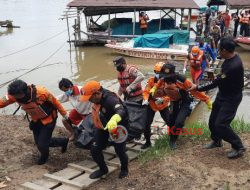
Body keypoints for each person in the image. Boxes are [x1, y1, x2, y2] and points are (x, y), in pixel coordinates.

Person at [188, 37, 246, 159]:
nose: (218, 52)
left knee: (221, 124)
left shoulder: (233, 65)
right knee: (213, 121)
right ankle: (217, 140)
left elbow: (216, 82)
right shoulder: (229, 59)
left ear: (224, 50)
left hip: (231, 98)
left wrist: (197, 88)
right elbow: (220, 79)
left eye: (219, 49)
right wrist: (217, 77)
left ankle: (238, 146)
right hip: (223, 94)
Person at [0, 80, 69, 165]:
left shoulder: (42, 93)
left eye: (17, 96)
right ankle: (63, 141)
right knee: (39, 142)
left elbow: (56, 102)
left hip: (49, 119)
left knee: (42, 145)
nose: (15, 98)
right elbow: (2, 102)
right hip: (36, 120)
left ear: (24, 92)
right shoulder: (13, 95)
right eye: (13, 96)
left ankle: (45, 156)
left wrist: (65, 114)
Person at [80, 81, 129, 179]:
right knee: (94, 149)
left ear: (97, 93)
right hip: (103, 126)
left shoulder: (110, 99)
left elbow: (121, 110)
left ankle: (124, 168)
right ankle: (103, 169)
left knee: (119, 150)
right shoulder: (97, 99)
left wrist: (114, 119)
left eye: (90, 98)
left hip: (117, 127)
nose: (89, 100)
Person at [159, 62, 212, 149]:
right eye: (164, 76)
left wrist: (206, 99)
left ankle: (173, 140)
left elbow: (195, 91)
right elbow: (159, 89)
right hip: (174, 102)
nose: (166, 78)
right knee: (171, 121)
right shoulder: (162, 79)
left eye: (168, 77)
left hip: (185, 102)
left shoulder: (182, 80)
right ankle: (175, 132)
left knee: (179, 122)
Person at [141, 62, 170, 149]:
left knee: (169, 121)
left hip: (163, 105)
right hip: (152, 104)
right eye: (156, 72)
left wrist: (163, 99)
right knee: (146, 124)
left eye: (159, 72)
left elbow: (171, 95)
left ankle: (173, 138)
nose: (157, 74)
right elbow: (146, 91)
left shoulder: (168, 82)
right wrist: (146, 99)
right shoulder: (151, 80)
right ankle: (148, 142)